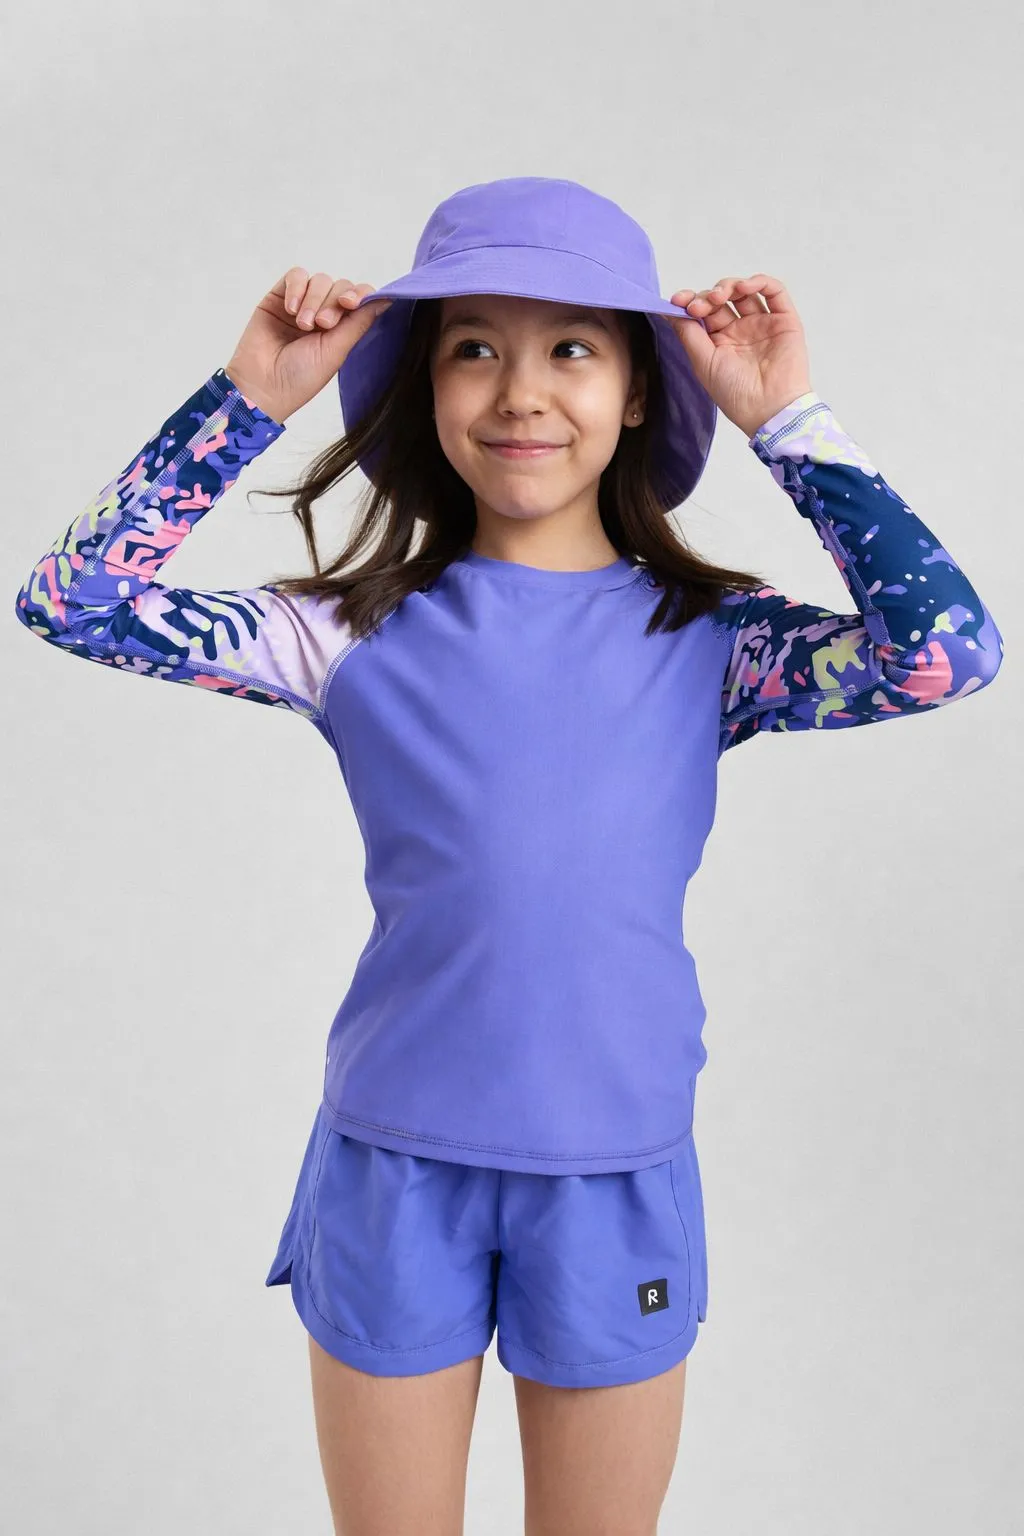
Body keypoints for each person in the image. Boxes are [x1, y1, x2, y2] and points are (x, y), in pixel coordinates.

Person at [14, 176, 1003, 1536]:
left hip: (612, 1172)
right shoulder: (345, 630)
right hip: (393, 1165)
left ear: (640, 391)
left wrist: (786, 420)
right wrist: (250, 398)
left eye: (572, 348)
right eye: (472, 346)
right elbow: (73, 602)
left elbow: (947, 652)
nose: (520, 392)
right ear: (426, 388)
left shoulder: (713, 642)